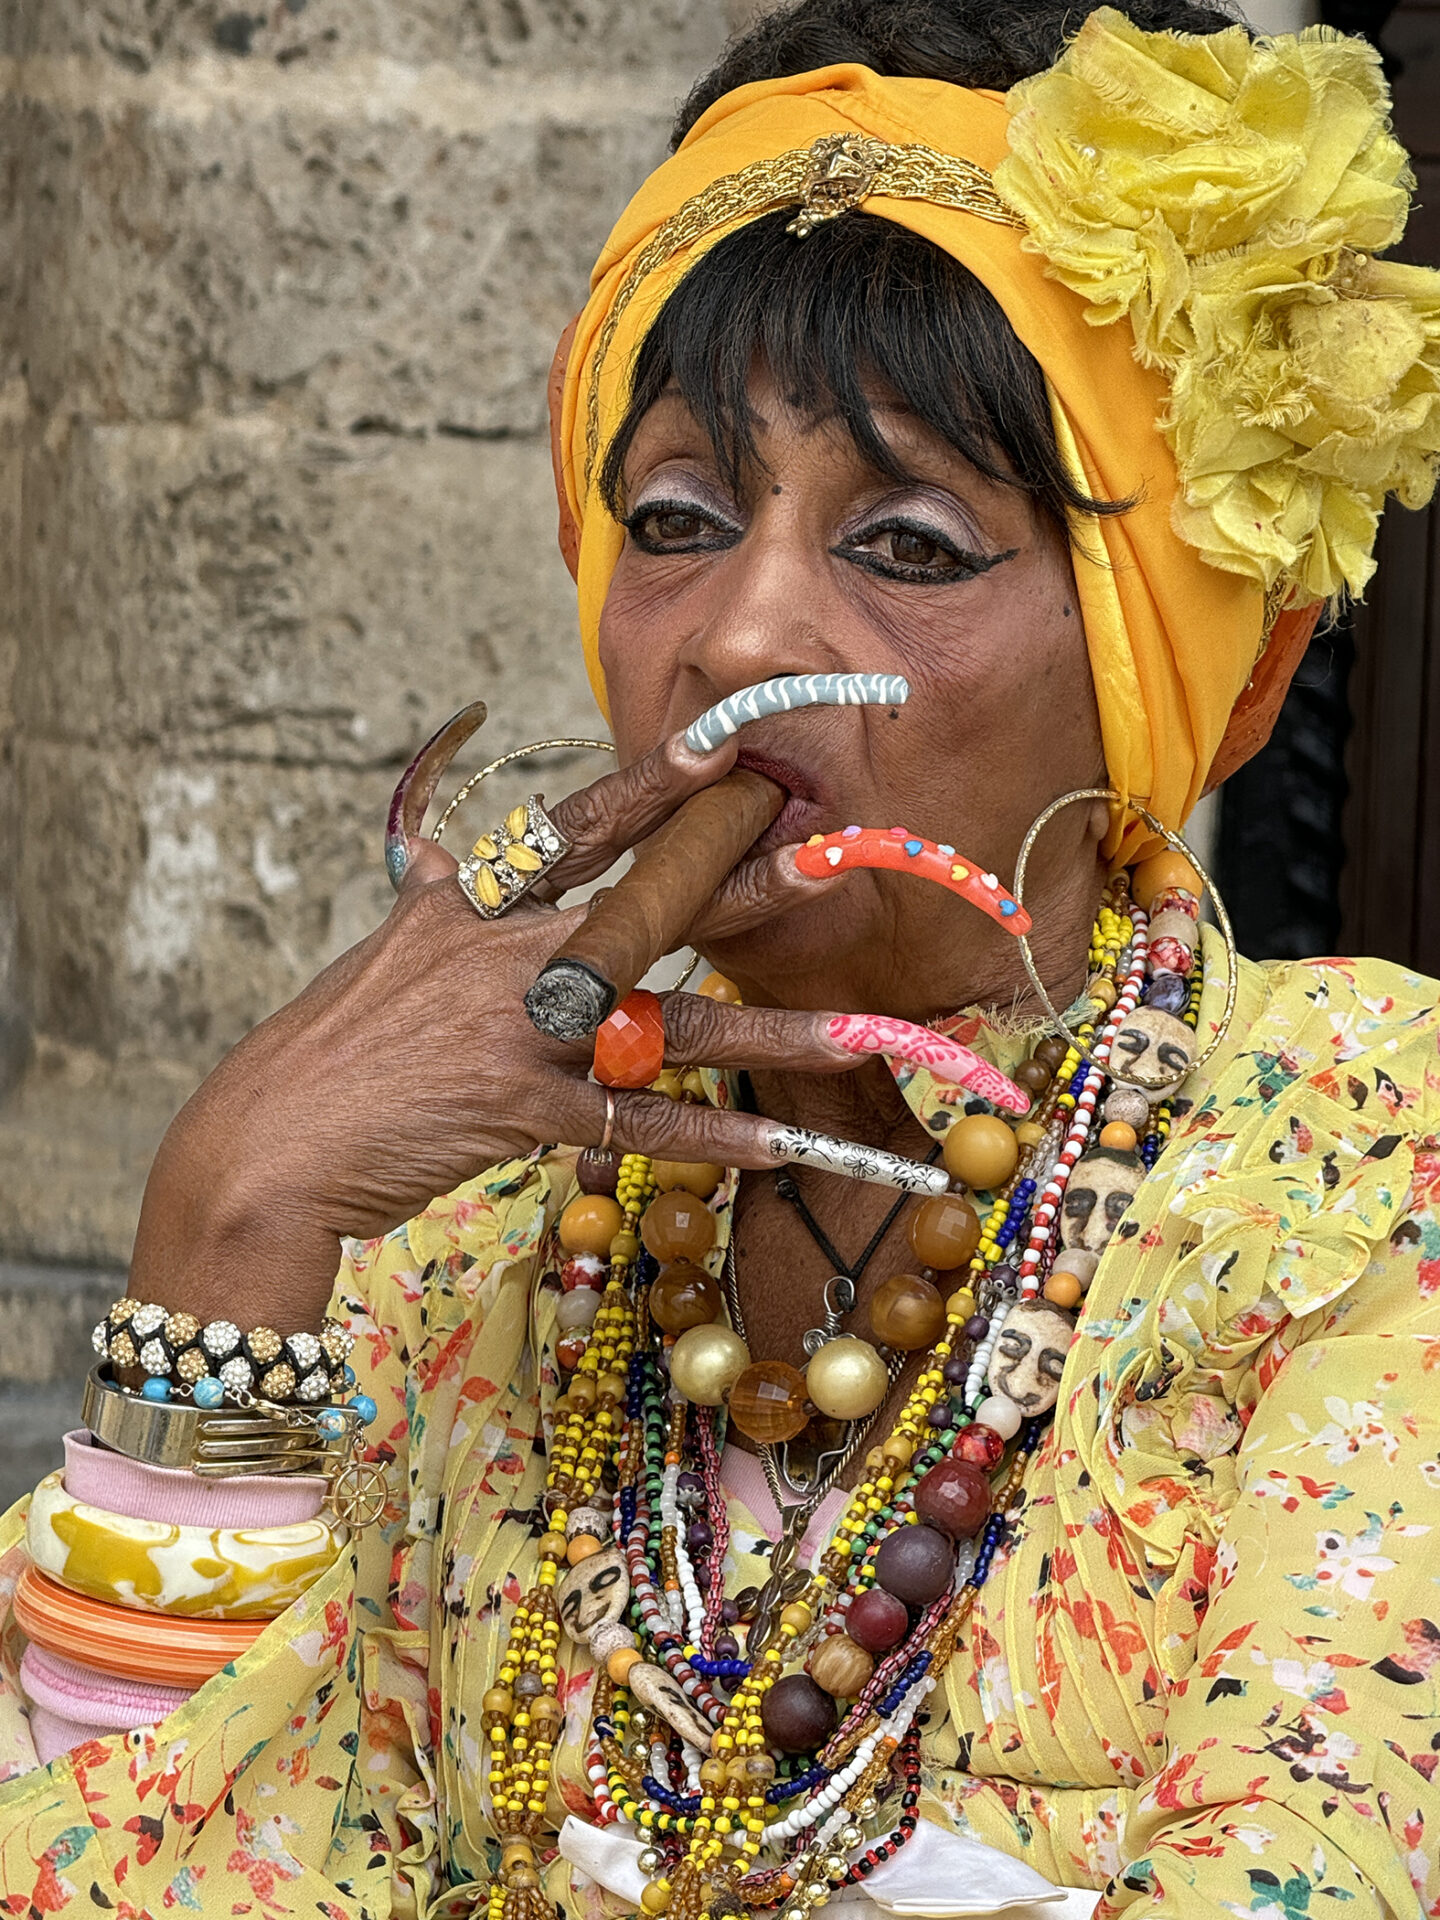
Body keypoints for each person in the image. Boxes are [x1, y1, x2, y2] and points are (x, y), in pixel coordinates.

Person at [3, 3, 1439, 1916]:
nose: (741, 629)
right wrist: (229, 1226)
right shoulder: (447, 1248)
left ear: (1171, 666)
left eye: (912, 545)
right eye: (673, 519)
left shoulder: (1365, 1184)